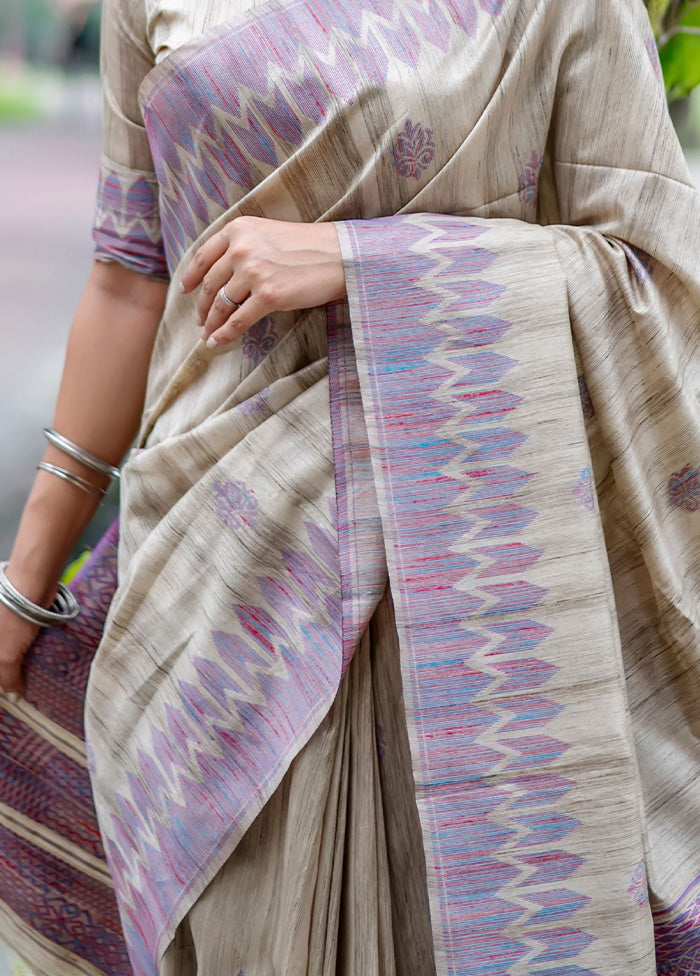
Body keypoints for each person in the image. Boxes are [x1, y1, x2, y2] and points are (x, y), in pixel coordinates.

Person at [1, 0, 700, 974]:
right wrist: (23, 586)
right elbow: (129, 277)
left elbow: (650, 272)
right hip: (213, 586)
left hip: (473, 611)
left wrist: (361, 265)